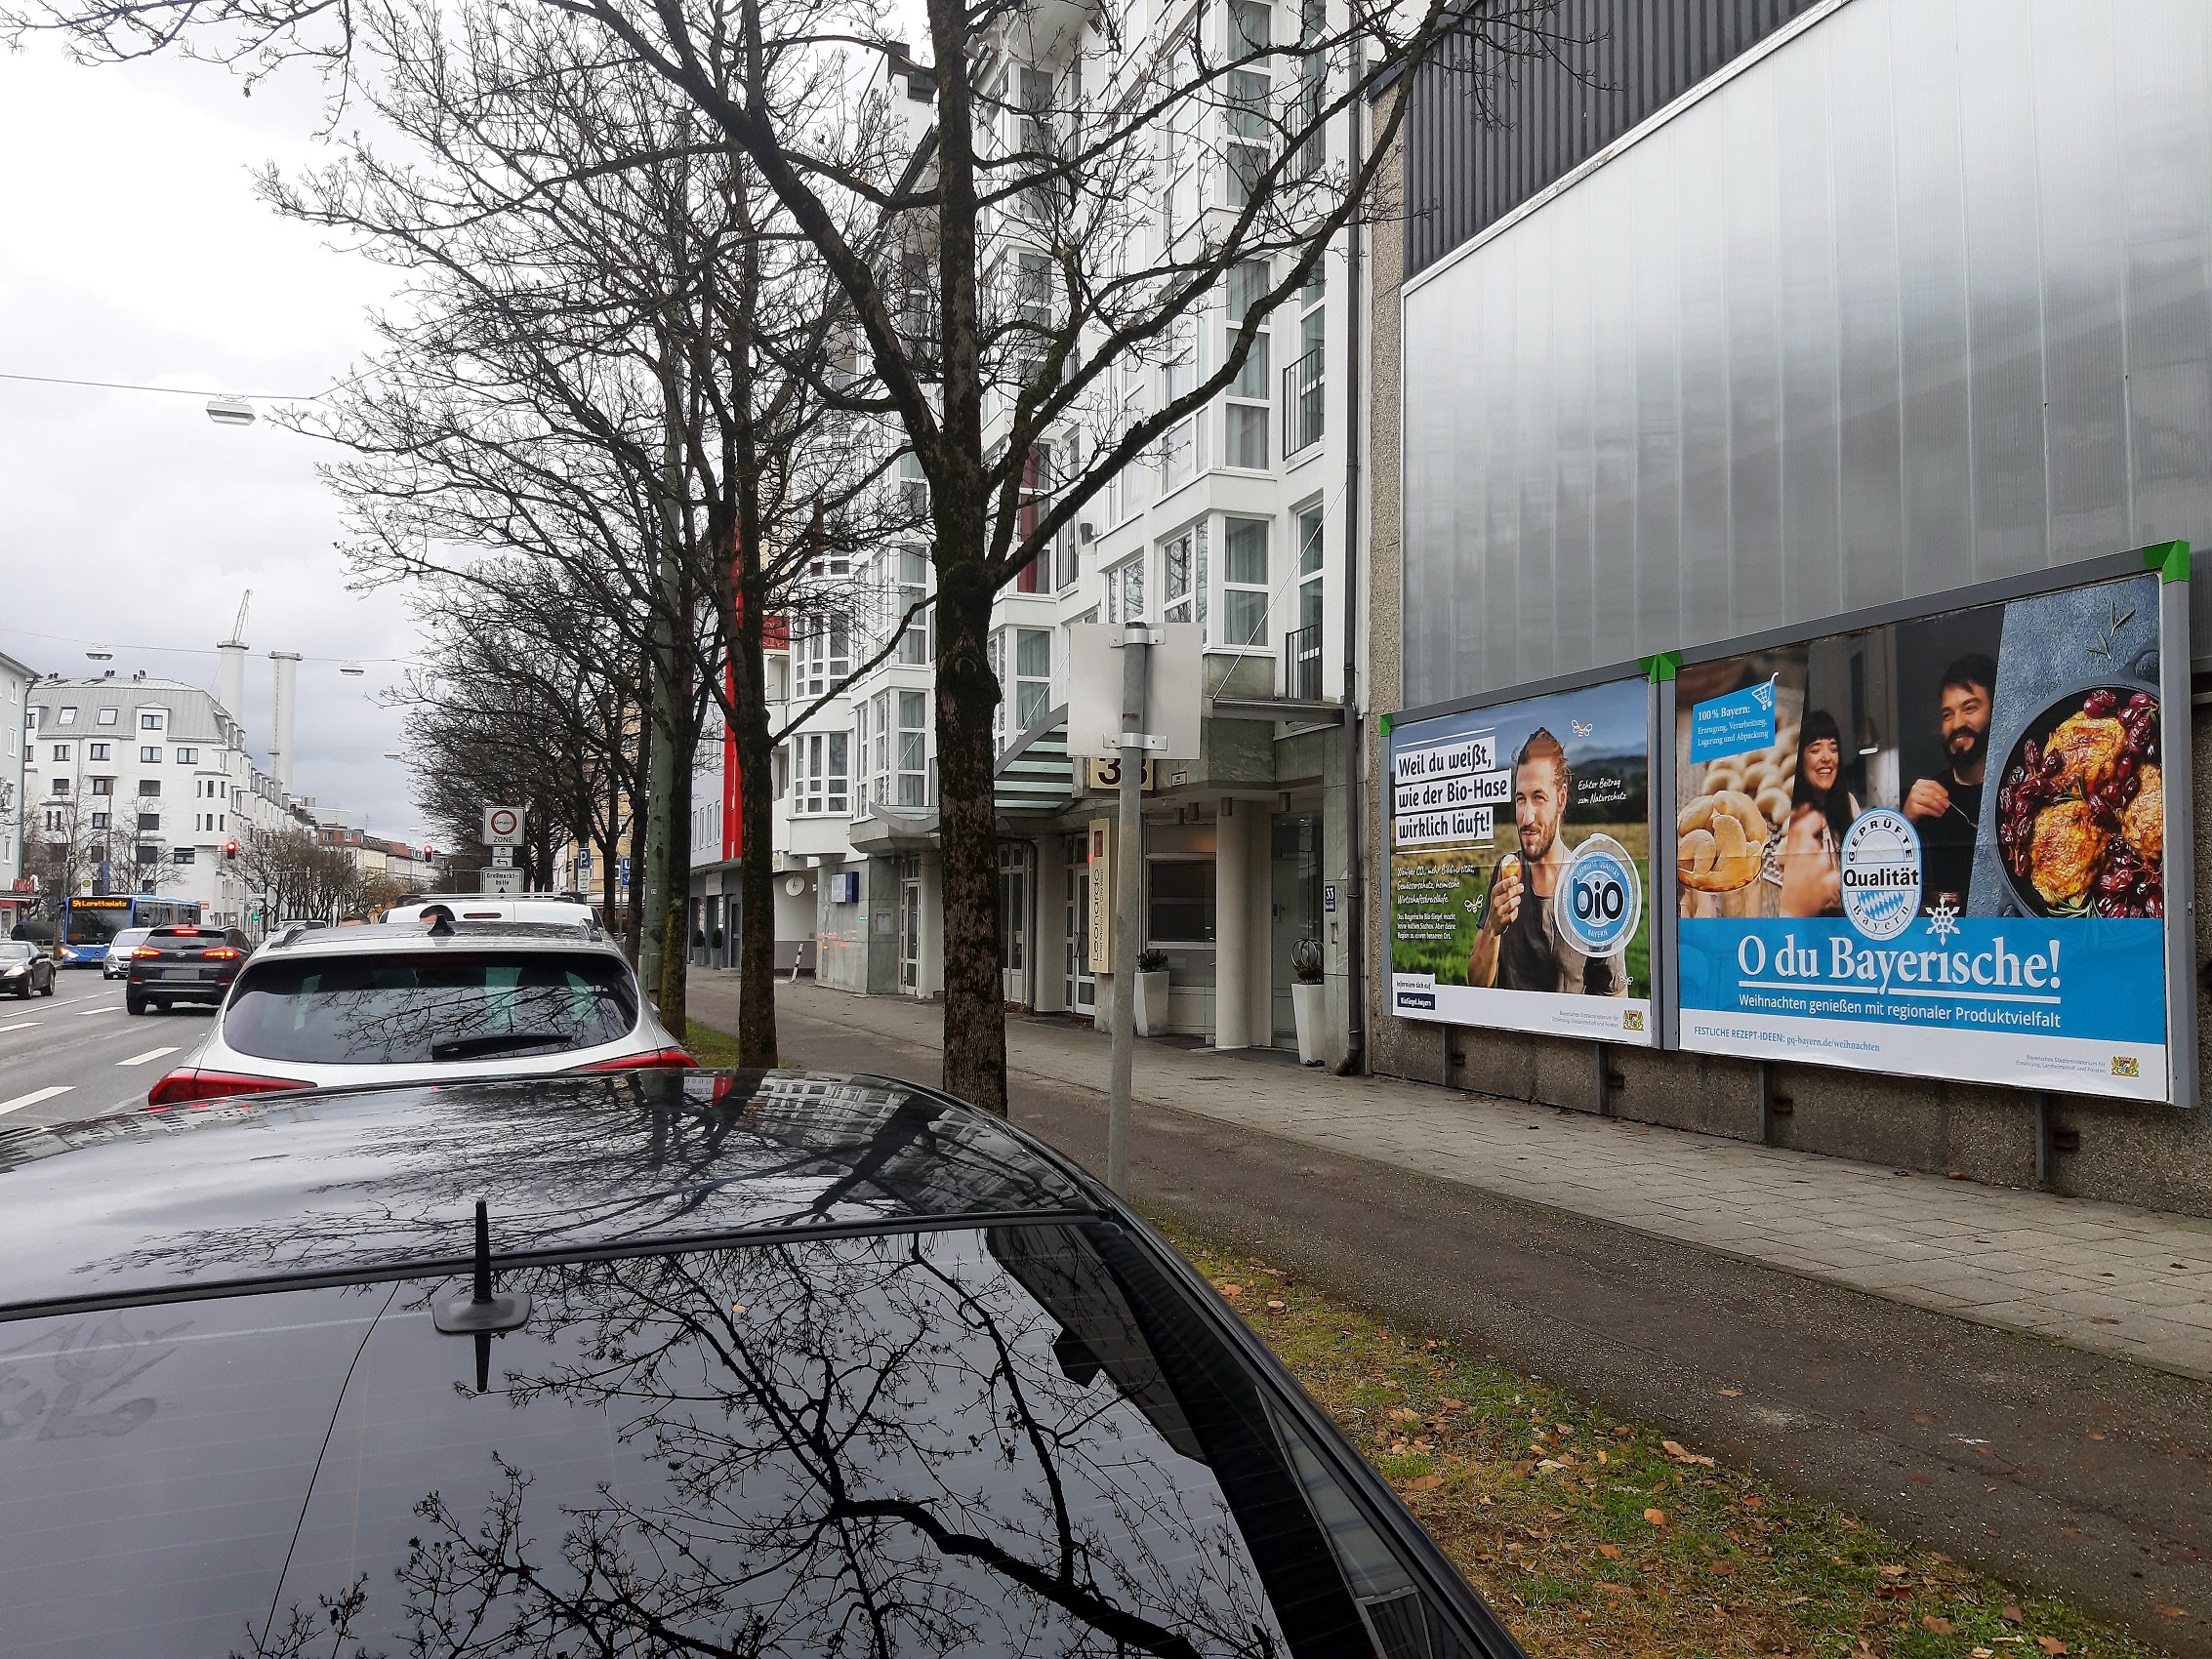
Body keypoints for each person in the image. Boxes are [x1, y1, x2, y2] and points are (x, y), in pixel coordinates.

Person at [1466, 728, 1623, 996]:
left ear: (1561, 799)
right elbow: (1478, 983)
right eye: (1520, 799)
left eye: (1538, 797)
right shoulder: (1506, 872)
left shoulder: (1592, 884)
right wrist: (1492, 928)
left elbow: (1616, 998)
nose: (1526, 817)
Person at [1903, 653, 1994, 909]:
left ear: (1994, 711)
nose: (1957, 724)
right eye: (1947, 715)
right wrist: (1905, 822)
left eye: (1969, 708)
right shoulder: (1923, 801)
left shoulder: (2018, 788)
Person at [1777, 710, 1857, 917]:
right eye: (1815, 750)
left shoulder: (1848, 803)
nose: (1827, 758)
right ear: (1801, 759)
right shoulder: (1795, 815)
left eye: (1833, 749)